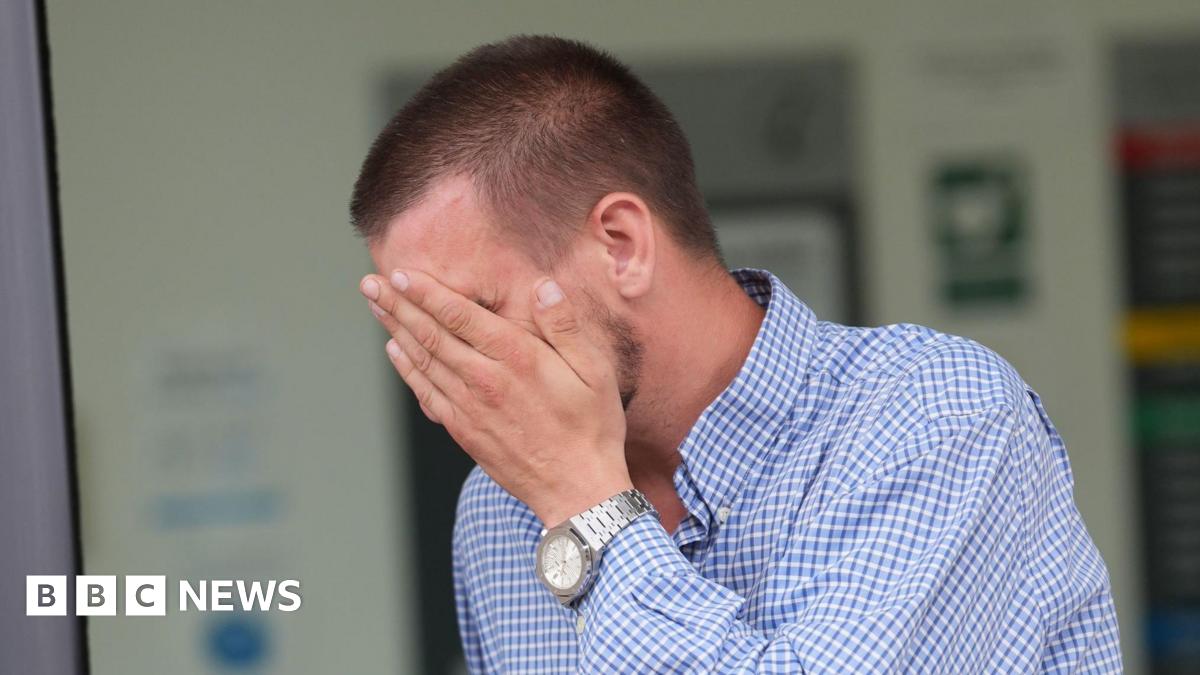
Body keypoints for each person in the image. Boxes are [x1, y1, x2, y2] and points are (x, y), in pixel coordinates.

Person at [350, 35, 1121, 673]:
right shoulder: (499, 512)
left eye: (473, 318)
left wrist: (588, 508)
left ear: (621, 245)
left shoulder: (937, 414)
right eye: (424, 336)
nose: (453, 378)